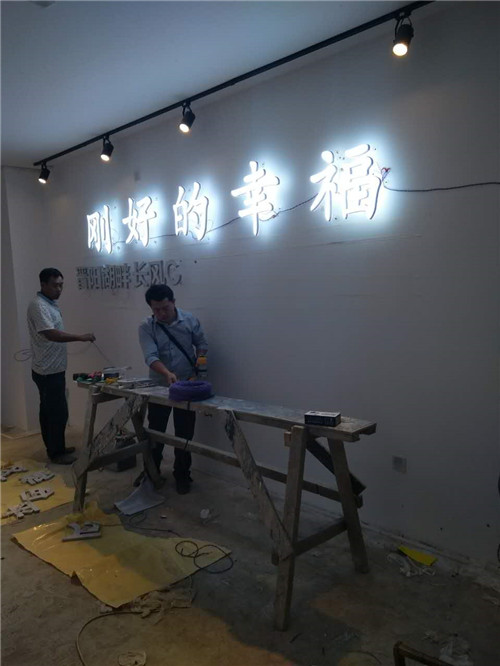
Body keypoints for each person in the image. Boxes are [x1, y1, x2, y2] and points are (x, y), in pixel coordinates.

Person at [138, 284, 208, 494]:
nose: (161, 313)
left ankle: (182, 475)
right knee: (155, 431)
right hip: (159, 386)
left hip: (186, 386)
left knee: (184, 434)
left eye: (165, 308)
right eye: (156, 310)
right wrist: (167, 373)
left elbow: (201, 345)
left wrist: (199, 366)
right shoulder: (146, 326)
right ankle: (151, 472)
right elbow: (150, 356)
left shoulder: (190, 320)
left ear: (173, 302)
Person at [27, 268, 96, 464]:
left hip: (53, 368)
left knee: (51, 410)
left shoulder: (50, 304)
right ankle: (56, 453)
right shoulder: (38, 305)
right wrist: (80, 337)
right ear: (43, 285)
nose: (59, 289)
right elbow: (51, 334)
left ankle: (56, 446)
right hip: (47, 370)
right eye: (55, 285)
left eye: (61, 285)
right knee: (56, 412)